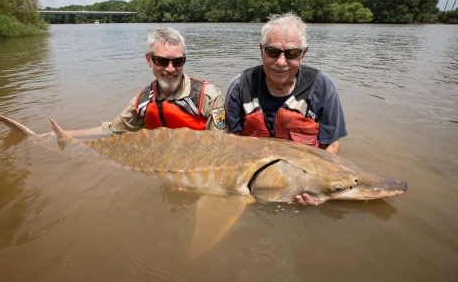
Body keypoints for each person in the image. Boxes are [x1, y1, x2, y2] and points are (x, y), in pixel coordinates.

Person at [225, 12, 347, 205]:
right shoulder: (239, 86)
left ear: (303, 53)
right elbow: (231, 144)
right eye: (272, 52)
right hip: (255, 182)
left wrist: (318, 187)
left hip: (303, 183)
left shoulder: (323, 87)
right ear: (261, 50)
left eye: (291, 54)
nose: (281, 62)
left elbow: (331, 144)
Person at [53, 27, 227, 138]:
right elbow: (111, 130)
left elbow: (221, 147)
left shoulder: (208, 96)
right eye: (161, 61)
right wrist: (63, 135)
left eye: (178, 61)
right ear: (148, 59)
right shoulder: (142, 101)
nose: (170, 69)